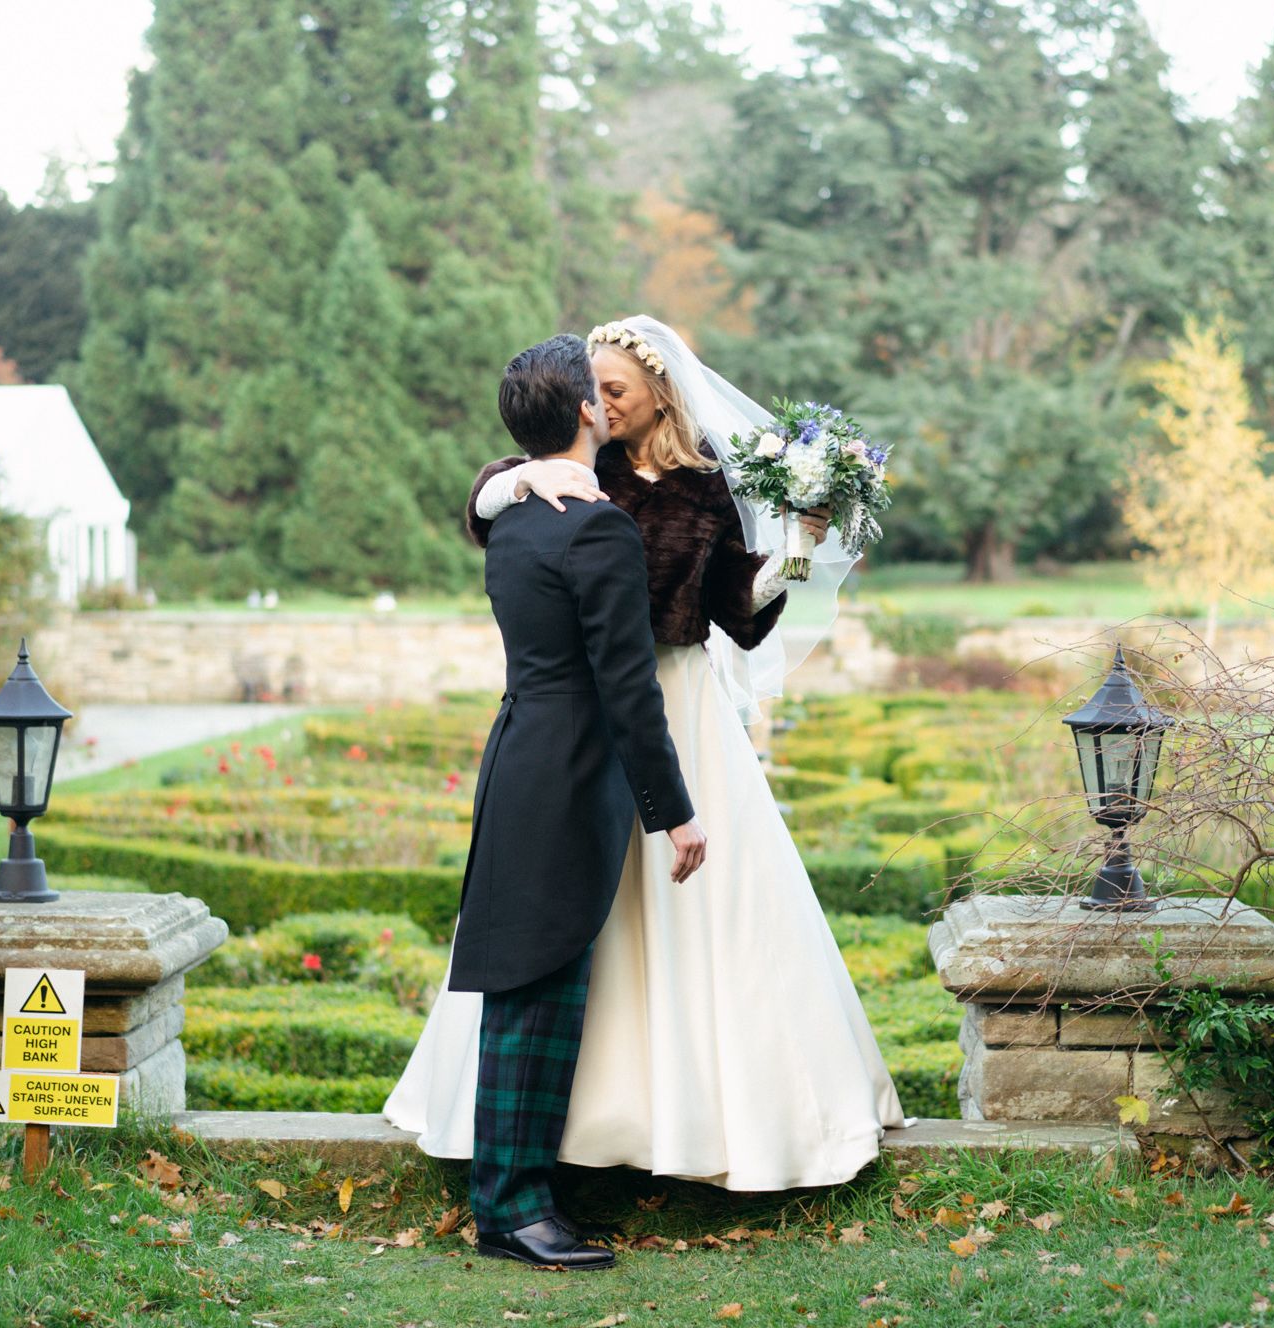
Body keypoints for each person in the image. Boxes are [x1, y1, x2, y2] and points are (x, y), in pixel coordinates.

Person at [386, 316, 906, 1193]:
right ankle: (562, 1131)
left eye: (617, 387)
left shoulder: (708, 487)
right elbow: (489, 496)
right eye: (596, 387)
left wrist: (799, 550)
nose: (603, 400)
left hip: (682, 704)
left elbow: (738, 613)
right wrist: (503, 492)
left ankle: (712, 1117)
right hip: (596, 710)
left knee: (711, 913)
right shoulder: (570, 471)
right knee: (574, 902)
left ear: (660, 392)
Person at [450, 333, 706, 1270]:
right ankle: (512, 1209)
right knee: (539, 983)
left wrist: (512, 479)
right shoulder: (593, 525)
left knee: (527, 980)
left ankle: (511, 1197)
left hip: (520, 752)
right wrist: (674, 811)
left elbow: (489, 493)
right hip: (565, 770)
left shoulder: (517, 512)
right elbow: (628, 689)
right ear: (589, 414)